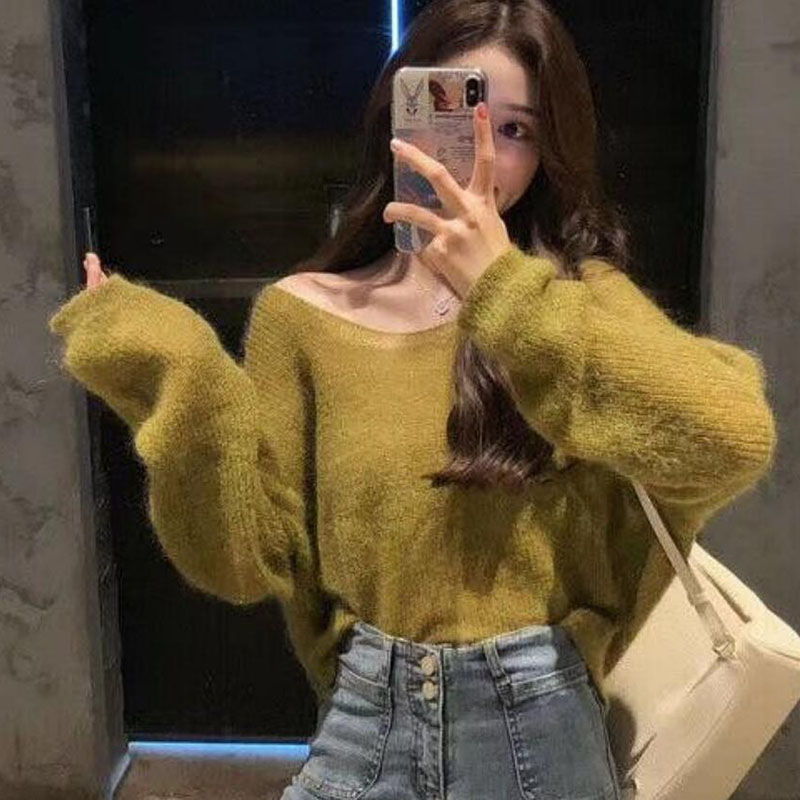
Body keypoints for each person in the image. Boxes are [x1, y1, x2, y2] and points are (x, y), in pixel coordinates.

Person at [50, 1, 777, 798]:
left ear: (548, 152)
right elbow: (238, 565)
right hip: (365, 721)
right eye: (457, 117)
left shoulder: (573, 309)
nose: (480, 159)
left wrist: (504, 292)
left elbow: (734, 437)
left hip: (540, 732)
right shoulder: (303, 319)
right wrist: (178, 375)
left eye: (516, 130)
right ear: (397, 120)